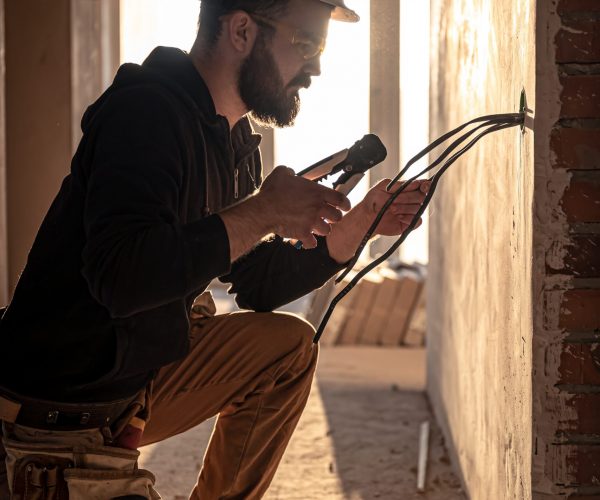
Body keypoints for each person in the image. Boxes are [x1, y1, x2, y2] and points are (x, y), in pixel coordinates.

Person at [0, 0, 430, 498]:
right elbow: (121, 276)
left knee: (287, 349)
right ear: (242, 30)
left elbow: (255, 283)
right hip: (54, 401)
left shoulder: (231, 137)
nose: (315, 68)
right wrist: (263, 212)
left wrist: (356, 227)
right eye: (306, 45)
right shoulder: (145, 114)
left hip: (129, 388)